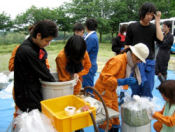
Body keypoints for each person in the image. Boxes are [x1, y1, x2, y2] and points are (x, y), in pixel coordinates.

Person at [95, 43, 149, 132]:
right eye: (139, 59)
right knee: (105, 120)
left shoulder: (128, 62)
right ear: (133, 54)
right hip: (103, 91)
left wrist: (127, 81)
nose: (139, 62)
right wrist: (122, 81)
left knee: (115, 118)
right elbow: (105, 78)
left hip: (111, 91)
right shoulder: (118, 61)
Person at [14, 20, 58, 113]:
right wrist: (58, 87)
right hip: (27, 96)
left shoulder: (36, 46)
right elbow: (45, 74)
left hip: (34, 88)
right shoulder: (27, 51)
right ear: (38, 35)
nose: (48, 44)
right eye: (47, 40)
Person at [125, 2, 164, 98]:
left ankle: (146, 110)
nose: (150, 17)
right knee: (135, 88)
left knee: (148, 88)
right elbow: (127, 45)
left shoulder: (154, 27)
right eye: (148, 14)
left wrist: (158, 22)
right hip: (135, 61)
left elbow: (161, 39)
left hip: (149, 62)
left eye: (152, 14)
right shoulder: (132, 26)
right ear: (142, 13)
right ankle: (135, 108)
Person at [82, 18, 99, 92]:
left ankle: (89, 102)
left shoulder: (91, 38)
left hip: (89, 65)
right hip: (90, 64)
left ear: (86, 27)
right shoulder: (91, 36)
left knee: (88, 88)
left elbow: (84, 52)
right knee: (87, 85)